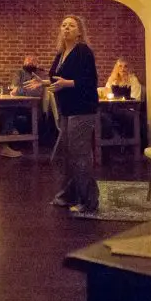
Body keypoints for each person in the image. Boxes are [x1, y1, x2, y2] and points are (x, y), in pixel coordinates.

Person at [27, 15, 99, 213]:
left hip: (83, 109)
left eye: (72, 25)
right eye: (64, 25)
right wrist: (43, 83)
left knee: (80, 155)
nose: (67, 28)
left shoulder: (83, 51)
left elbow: (90, 81)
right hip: (67, 109)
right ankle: (69, 196)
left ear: (79, 31)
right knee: (64, 155)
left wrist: (67, 84)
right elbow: (56, 79)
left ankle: (89, 201)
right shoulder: (61, 54)